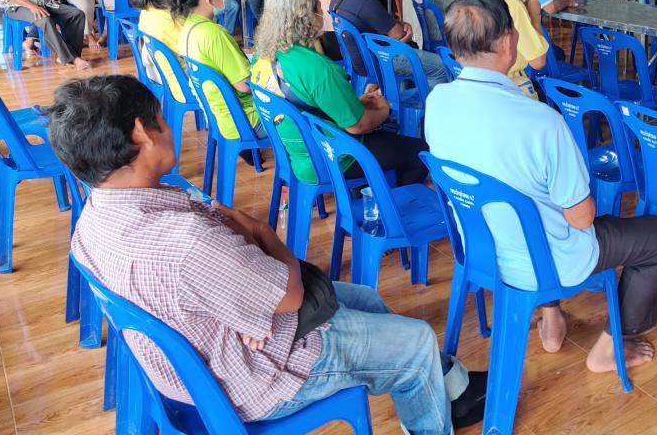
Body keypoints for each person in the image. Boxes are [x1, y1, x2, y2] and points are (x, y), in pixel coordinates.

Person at [48, 73, 485, 432]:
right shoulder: (185, 242)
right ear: (142, 133)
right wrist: (260, 232)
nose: (167, 126)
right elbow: (289, 296)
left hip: (195, 361)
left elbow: (215, 280)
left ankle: (448, 386)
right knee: (416, 341)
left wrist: (243, 310)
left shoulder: (92, 222)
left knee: (366, 299)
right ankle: (430, 409)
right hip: (254, 377)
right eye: (161, 118)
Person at [425, 0, 657, 372]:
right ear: (508, 43)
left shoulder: (438, 101)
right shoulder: (541, 121)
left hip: (481, 250)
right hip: (546, 263)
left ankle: (552, 316)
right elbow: (581, 219)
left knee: (536, 209)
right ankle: (609, 347)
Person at [251, 0, 429, 188]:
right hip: (334, 156)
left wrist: (357, 102)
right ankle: (387, 204)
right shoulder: (317, 68)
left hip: (297, 155)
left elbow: (309, 104)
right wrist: (384, 109)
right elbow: (357, 125)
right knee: (419, 151)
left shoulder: (261, 60)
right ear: (306, 16)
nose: (321, 11)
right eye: (317, 6)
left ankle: (363, 192)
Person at [329, 0, 449, 89]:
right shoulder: (363, 1)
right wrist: (405, 32)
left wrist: (397, 24)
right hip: (381, 58)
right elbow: (399, 35)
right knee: (441, 66)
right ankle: (423, 101)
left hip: (358, 60)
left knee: (417, 60)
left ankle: (401, 92)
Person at [173, 0, 264, 146]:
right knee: (300, 111)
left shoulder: (188, 28)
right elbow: (245, 85)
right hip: (244, 119)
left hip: (217, 116)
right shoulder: (215, 34)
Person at [480, 0, 549, 97]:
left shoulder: (476, 0)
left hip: (481, 86)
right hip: (509, 85)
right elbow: (538, 62)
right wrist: (535, 17)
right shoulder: (513, 6)